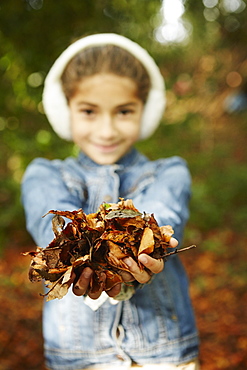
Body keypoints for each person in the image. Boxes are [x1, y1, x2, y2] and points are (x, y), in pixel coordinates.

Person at [21, 33, 199, 370]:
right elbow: (55, 232)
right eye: (89, 111)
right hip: (79, 359)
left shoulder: (169, 172)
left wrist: (139, 254)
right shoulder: (44, 175)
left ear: (146, 112)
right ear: (65, 110)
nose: (106, 131)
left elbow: (160, 218)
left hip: (162, 358)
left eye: (124, 111)